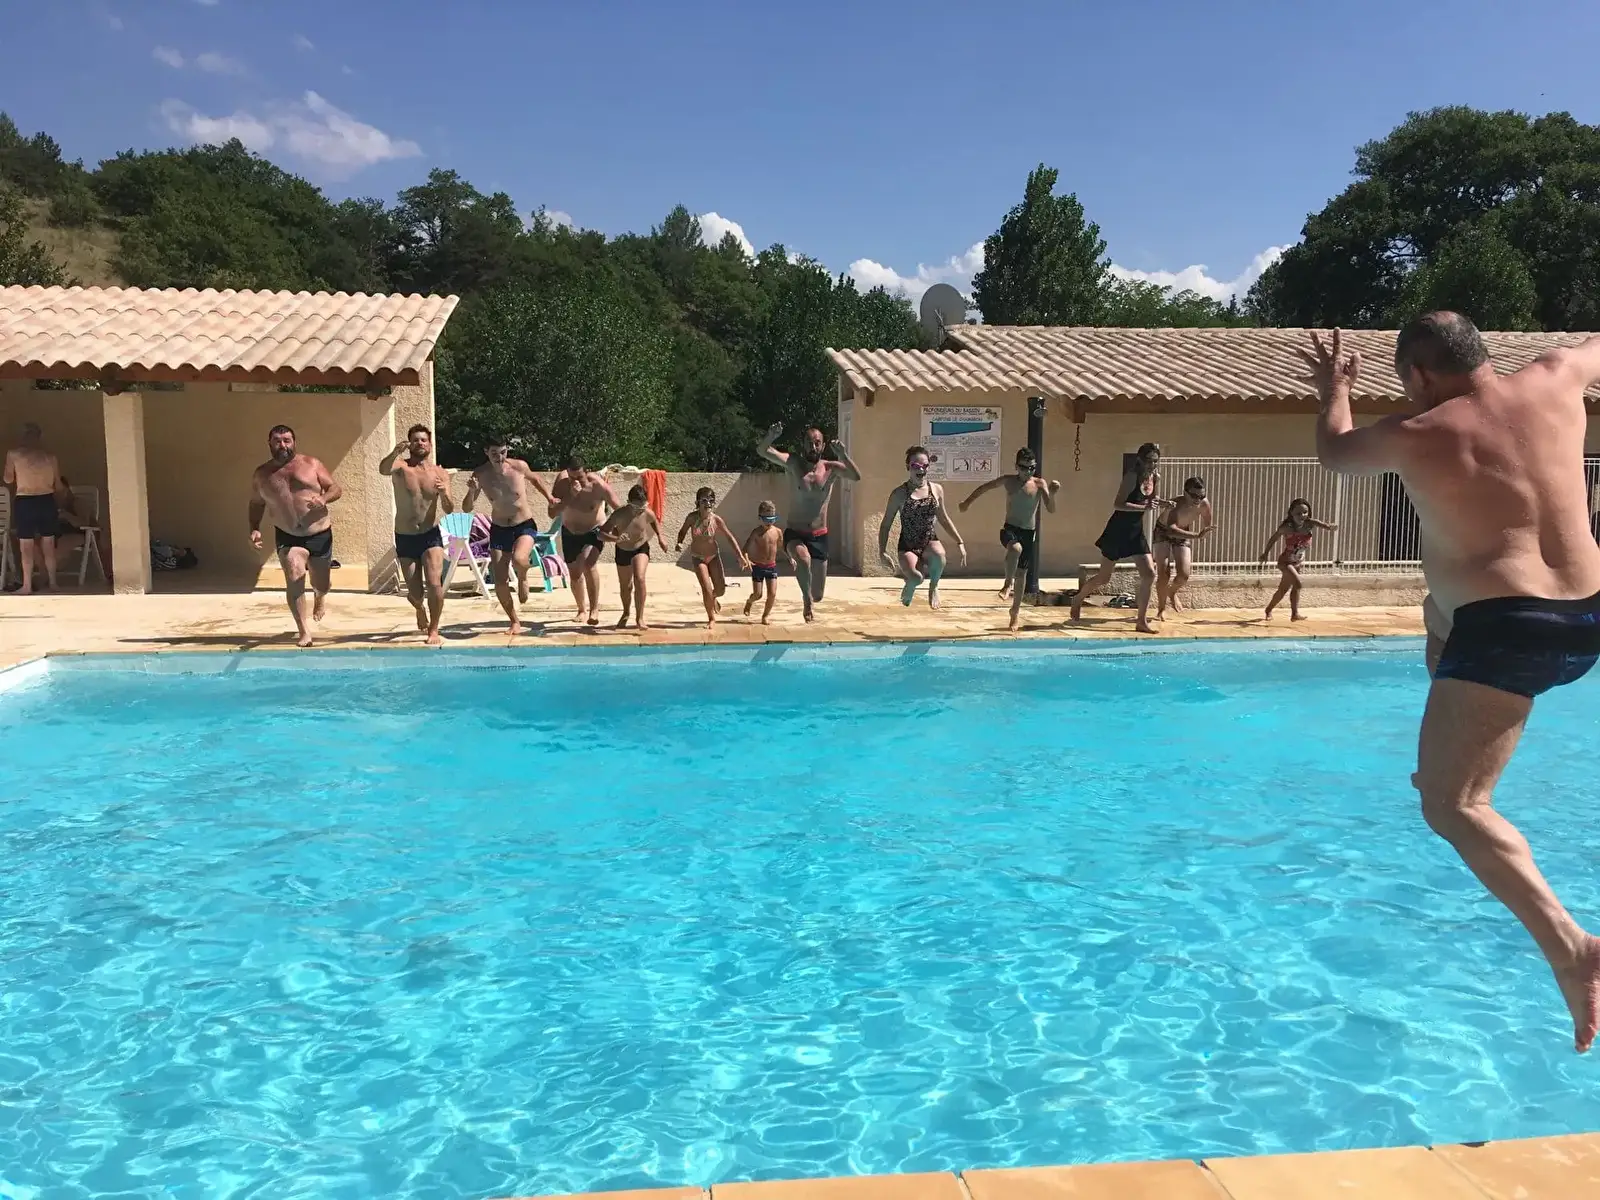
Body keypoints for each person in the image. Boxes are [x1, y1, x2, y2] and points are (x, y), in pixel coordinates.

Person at [1310, 315, 1600, 1052]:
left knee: (1453, 804)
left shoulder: (1419, 431)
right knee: (1438, 609)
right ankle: (1448, 703)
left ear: (1418, 375)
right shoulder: (1556, 376)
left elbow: (1335, 451)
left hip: (1509, 632)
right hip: (1585, 617)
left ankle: (1574, 950)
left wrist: (1334, 389)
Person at [757, 423, 862, 623]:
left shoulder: (830, 468)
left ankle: (811, 597)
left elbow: (856, 476)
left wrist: (843, 455)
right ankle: (806, 600)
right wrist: (770, 436)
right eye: (809, 443)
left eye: (817, 443)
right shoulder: (793, 463)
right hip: (795, 532)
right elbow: (762, 451)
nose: (813, 447)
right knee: (803, 560)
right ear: (803, 444)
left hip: (819, 535)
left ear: (823, 446)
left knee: (818, 595)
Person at [248, 424, 342, 647]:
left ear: (294, 442)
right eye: (277, 441)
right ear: (269, 443)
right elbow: (256, 503)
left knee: (322, 583)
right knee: (294, 572)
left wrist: (323, 499)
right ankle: (304, 631)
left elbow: (335, 488)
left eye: (287, 440)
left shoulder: (311, 464)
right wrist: (254, 528)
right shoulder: (262, 474)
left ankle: (320, 596)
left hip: (318, 533)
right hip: (288, 534)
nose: (282, 445)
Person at [958, 447, 1060, 630]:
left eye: (1031, 468)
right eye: (1024, 467)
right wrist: (967, 502)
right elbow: (984, 488)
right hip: (1010, 529)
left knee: (1022, 574)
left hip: (1028, 533)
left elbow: (1051, 509)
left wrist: (1051, 494)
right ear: (1016, 466)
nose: (1028, 471)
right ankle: (1007, 584)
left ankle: (1015, 612)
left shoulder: (1039, 484)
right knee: (1015, 549)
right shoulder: (1008, 481)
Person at [1071, 442, 1167, 634]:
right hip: (1118, 530)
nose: (1152, 465)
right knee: (1104, 577)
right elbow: (1118, 504)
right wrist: (1144, 507)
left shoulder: (1155, 477)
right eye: (1149, 461)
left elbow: (1150, 501)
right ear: (1140, 460)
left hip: (1136, 531)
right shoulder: (1131, 477)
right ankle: (1078, 598)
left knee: (1149, 574)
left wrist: (1164, 503)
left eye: (1155, 461)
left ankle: (1141, 621)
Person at [463, 437, 553, 637]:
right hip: (499, 528)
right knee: (500, 580)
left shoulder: (518, 467)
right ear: (486, 452)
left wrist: (550, 498)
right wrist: (471, 491)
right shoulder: (480, 474)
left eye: (503, 452)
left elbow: (536, 479)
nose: (500, 457)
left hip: (524, 524)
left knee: (520, 559)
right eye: (494, 453)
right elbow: (467, 508)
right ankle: (514, 620)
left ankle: (523, 576)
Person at [379, 424, 454, 645]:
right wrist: (395, 451)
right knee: (415, 592)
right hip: (405, 536)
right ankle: (420, 608)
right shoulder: (400, 467)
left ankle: (434, 629)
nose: (420, 443)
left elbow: (449, 508)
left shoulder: (440, 473)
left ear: (430, 444)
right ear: (409, 444)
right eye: (415, 440)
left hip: (430, 535)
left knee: (435, 584)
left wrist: (444, 493)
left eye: (423, 440)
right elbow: (383, 469)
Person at [879, 445, 967, 609]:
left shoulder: (936, 490)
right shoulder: (899, 494)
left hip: (929, 540)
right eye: (915, 466)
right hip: (908, 545)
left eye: (924, 466)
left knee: (940, 555)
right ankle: (911, 585)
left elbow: (944, 518)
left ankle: (933, 587)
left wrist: (959, 542)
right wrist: (882, 551)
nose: (921, 470)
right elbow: (885, 525)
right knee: (916, 578)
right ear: (908, 467)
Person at [549, 454, 619, 629]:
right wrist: (569, 497)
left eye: (579, 477)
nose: (576, 482)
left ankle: (594, 610)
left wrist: (623, 531)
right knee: (574, 574)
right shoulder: (562, 484)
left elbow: (619, 509)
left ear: (587, 472)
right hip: (570, 532)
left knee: (589, 564)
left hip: (594, 530)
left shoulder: (598, 486)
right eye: (571, 477)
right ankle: (581, 609)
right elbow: (552, 513)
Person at [3, 422, 65, 595]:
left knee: (26, 545)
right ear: (39, 437)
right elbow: (58, 485)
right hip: (46, 500)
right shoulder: (50, 458)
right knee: (48, 543)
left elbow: (8, 479)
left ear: (23, 436)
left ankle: (27, 586)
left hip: (26, 501)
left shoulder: (14, 455)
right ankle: (53, 583)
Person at [597, 483, 668, 630]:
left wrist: (661, 537)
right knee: (626, 586)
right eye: (636, 508)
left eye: (642, 507)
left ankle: (639, 618)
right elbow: (601, 534)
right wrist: (615, 539)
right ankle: (626, 612)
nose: (639, 511)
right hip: (623, 550)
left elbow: (655, 522)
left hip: (640, 547)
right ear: (629, 503)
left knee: (639, 578)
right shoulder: (619, 515)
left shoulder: (647, 513)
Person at [676, 486, 748, 628]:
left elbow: (729, 537)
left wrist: (739, 555)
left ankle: (713, 597)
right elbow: (682, 531)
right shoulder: (692, 518)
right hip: (698, 557)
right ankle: (711, 618)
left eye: (711, 500)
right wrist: (679, 542)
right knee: (706, 588)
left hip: (713, 556)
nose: (708, 503)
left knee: (720, 590)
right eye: (704, 500)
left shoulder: (716, 520)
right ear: (697, 502)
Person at [1258, 498, 1335, 622]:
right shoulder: (1287, 528)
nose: (1302, 515)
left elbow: (1323, 525)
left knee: (1283, 590)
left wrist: (1330, 527)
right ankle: (1292, 613)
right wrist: (1265, 553)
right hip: (1285, 562)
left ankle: (1274, 610)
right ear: (1291, 513)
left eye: (1305, 512)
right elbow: (1273, 539)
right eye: (1298, 513)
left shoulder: (1310, 524)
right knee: (1298, 583)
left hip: (1298, 562)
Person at [1154, 476, 1215, 619]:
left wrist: (1205, 532)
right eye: (1194, 496)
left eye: (1201, 496)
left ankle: (1172, 592)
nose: (1198, 500)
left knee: (1184, 574)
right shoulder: (1176, 504)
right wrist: (1197, 536)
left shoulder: (1204, 504)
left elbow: (1207, 521)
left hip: (1183, 531)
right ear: (1185, 492)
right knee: (1164, 572)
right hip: (1163, 531)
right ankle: (1161, 609)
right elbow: (1171, 529)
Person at [743, 500, 784, 625]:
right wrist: (747, 560)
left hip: (771, 567)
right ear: (760, 518)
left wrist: (791, 558)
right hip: (758, 567)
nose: (769, 522)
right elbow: (745, 549)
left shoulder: (778, 532)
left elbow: (782, 547)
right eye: (766, 519)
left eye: (772, 519)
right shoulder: (756, 532)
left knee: (772, 594)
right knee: (758, 594)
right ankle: (749, 601)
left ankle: (765, 616)